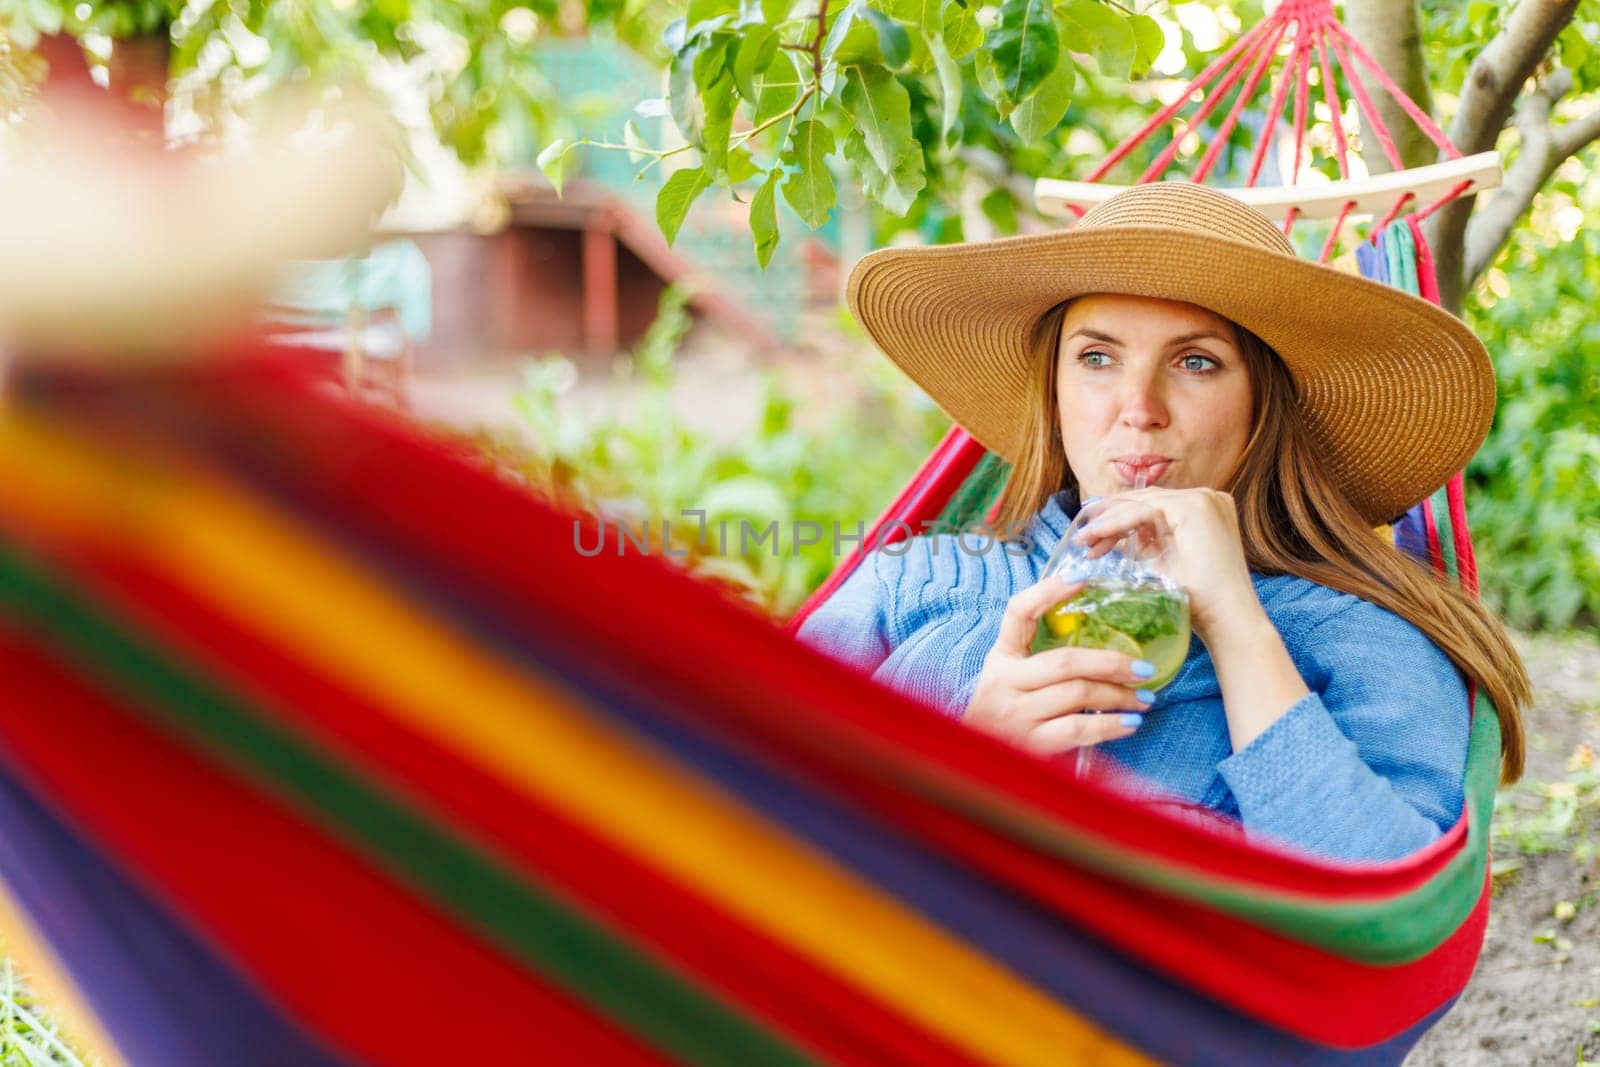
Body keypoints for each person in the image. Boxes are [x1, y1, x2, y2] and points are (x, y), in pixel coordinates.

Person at [796, 182, 1531, 863]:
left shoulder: (1356, 632)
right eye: (1096, 357)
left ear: (1264, 405)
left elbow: (1388, 914)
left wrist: (1239, 625)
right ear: (1052, 391)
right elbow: (754, 798)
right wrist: (964, 756)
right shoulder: (911, 580)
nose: (1139, 406)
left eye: (1197, 362)